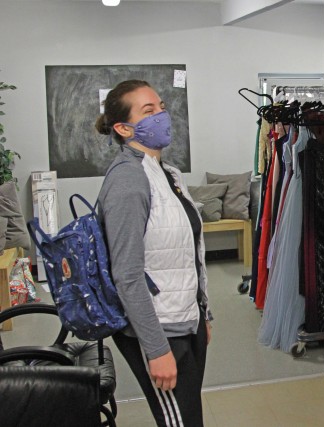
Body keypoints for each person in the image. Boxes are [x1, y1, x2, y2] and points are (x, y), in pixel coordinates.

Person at [95, 80, 213, 427]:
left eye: (161, 107)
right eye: (149, 111)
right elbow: (127, 275)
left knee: (187, 417)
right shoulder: (128, 180)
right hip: (159, 329)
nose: (162, 115)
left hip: (184, 319)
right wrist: (157, 349)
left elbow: (187, 251)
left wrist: (203, 311)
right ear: (123, 127)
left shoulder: (168, 174)